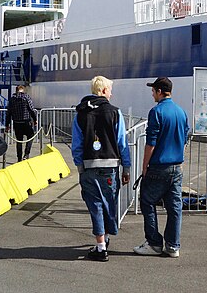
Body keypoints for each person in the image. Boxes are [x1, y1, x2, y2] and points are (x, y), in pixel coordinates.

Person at [72, 76, 131, 262]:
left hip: (89, 166)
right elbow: (122, 142)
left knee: (95, 206)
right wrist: (126, 167)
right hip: (111, 167)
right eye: (110, 90)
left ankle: (101, 246)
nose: (111, 93)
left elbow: (77, 144)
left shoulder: (80, 113)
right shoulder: (115, 112)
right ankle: (104, 240)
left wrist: (80, 166)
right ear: (103, 90)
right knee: (109, 204)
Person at [134, 77, 189, 258]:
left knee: (147, 201)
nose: (152, 94)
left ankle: (154, 243)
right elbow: (186, 136)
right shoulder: (181, 112)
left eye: (153, 91)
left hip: (158, 166)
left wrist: (144, 166)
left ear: (159, 91)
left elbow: (151, 142)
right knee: (174, 207)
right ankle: (173, 245)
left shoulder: (156, 112)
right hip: (176, 166)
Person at [5, 85, 38, 161]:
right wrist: (35, 119)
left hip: (16, 123)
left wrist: (7, 125)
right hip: (26, 122)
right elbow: (31, 109)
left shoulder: (12, 99)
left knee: (19, 141)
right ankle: (26, 154)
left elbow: (8, 113)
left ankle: (19, 157)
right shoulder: (26, 97)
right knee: (30, 136)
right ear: (23, 90)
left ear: (16, 90)